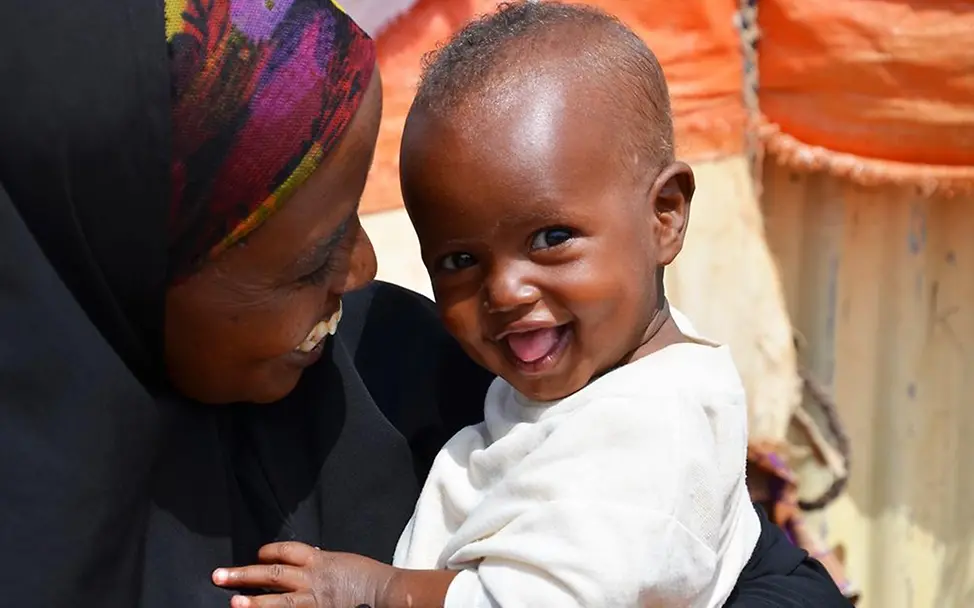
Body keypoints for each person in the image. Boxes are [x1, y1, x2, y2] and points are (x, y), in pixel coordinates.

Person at [0, 1, 850, 607]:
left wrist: (386, 591)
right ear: (125, 258)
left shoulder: (390, 371)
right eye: (309, 259)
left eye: (551, 238)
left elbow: (755, 576)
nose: (365, 270)